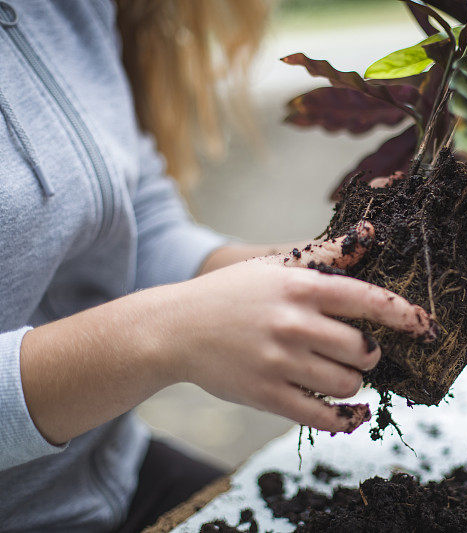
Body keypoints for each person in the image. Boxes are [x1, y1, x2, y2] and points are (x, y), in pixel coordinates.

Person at [0, 1, 438, 531]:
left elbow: (136, 223)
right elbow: (174, 321)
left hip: (113, 477)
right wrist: (168, 333)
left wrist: (314, 269)